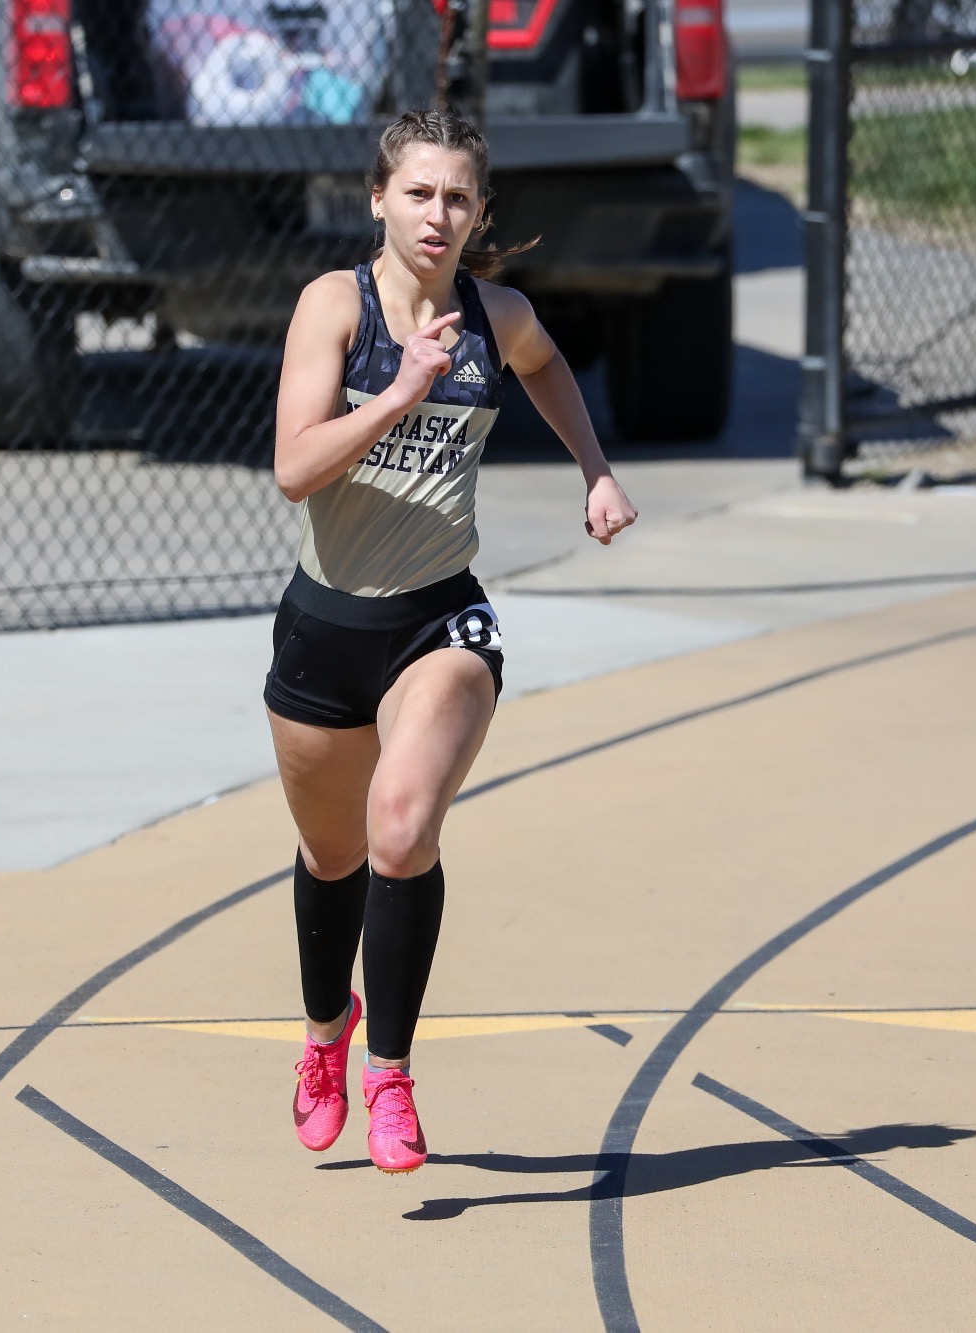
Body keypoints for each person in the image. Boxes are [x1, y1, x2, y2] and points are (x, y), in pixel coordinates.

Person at [266, 108, 639, 1173]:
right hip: (325, 625)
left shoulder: (496, 313)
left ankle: (390, 1073)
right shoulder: (332, 305)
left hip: (438, 617)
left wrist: (595, 470)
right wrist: (397, 392)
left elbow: (546, 364)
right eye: (418, 193)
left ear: (479, 213)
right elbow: (294, 469)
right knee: (332, 854)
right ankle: (322, 1039)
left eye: (457, 197)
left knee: (399, 827)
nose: (437, 213)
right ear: (378, 200)